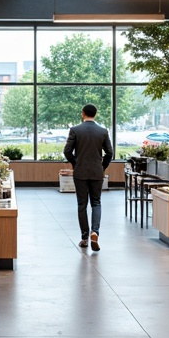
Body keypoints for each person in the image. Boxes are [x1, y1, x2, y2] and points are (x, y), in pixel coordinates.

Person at [63, 103, 114, 252]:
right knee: (96, 203)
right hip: (97, 172)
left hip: (80, 173)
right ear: (95, 114)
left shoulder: (75, 130)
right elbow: (109, 153)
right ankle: (95, 232)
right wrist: (102, 166)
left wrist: (76, 163)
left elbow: (67, 151)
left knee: (82, 205)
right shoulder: (103, 131)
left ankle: (85, 237)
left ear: (83, 113)